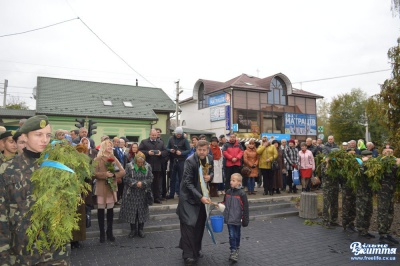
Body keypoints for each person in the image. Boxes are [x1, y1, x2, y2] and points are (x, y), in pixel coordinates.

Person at [0, 115, 70, 265]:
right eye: (38, 134)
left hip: (56, 254)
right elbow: (2, 219)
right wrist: (4, 259)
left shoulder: (57, 167)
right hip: (22, 254)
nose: (44, 140)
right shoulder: (7, 170)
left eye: (47, 135)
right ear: (24, 137)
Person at [176, 140, 213, 265]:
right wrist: (200, 197)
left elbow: (212, 173)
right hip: (188, 198)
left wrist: (211, 176)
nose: (202, 152)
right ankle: (187, 254)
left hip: (202, 197)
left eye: (204, 150)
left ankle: (196, 249)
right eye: (199, 150)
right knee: (188, 225)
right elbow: (187, 183)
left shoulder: (210, 159)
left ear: (208, 150)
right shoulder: (190, 161)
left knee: (199, 224)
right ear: (195, 149)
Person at [93, 140, 126, 243]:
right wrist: (104, 175)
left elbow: (122, 171)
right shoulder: (98, 159)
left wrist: (114, 175)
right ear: (103, 147)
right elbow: (92, 173)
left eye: (111, 146)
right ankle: (102, 233)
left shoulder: (114, 158)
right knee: (101, 210)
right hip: (102, 187)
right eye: (108, 146)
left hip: (111, 187)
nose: (110, 147)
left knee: (111, 210)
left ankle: (109, 232)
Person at [119, 152, 154, 239]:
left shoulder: (147, 166)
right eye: (138, 162)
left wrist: (143, 183)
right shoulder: (129, 166)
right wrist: (135, 183)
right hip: (132, 192)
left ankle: (141, 230)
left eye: (141, 162)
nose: (139, 164)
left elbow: (150, 178)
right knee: (133, 211)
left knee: (142, 211)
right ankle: (133, 230)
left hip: (143, 192)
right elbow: (126, 178)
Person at [221, 173, 249, 263]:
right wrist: (220, 205)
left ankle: (236, 247)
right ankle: (233, 251)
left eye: (233, 180)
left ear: (239, 183)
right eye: (230, 180)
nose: (231, 182)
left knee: (237, 235)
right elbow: (224, 202)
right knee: (232, 235)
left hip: (237, 219)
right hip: (229, 219)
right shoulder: (228, 192)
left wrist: (245, 219)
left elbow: (245, 207)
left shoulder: (242, 193)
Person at [377, 145, 399, 245]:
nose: (389, 152)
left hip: (391, 191)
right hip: (383, 191)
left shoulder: (395, 161)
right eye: (387, 151)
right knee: (383, 212)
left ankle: (387, 232)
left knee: (390, 212)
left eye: (391, 151)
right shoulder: (380, 162)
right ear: (383, 152)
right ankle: (382, 235)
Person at [139, 129, 167, 204]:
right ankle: (147, 198)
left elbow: (165, 151)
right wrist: (148, 153)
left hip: (157, 166)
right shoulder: (144, 142)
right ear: (150, 134)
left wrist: (160, 153)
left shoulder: (160, 142)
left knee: (156, 183)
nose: (154, 137)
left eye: (155, 135)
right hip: (147, 166)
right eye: (153, 135)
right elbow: (140, 151)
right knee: (147, 182)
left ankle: (156, 198)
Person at [166, 127, 190, 199]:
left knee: (181, 178)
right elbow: (167, 148)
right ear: (175, 133)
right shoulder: (171, 139)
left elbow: (188, 150)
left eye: (180, 134)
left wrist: (181, 153)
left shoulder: (185, 140)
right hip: (173, 160)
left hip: (181, 160)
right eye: (177, 134)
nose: (178, 135)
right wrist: (170, 150)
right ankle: (171, 194)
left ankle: (181, 193)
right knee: (172, 178)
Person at [356, 150, 374, 239]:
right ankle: (360, 230)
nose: (371, 159)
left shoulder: (371, 166)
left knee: (368, 212)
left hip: (369, 193)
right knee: (361, 212)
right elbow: (359, 175)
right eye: (369, 157)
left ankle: (365, 230)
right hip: (362, 193)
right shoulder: (359, 165)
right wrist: (364, 164)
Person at [322, 148, 340, 228]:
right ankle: (325, 221)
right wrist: (327, 163)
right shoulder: (325, 162)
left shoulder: (337, 163)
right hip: (327, 186)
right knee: (327, 204)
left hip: (335, 185)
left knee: (335, 204)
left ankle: (334, 220)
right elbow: (325, 173)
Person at [341, 148, 357, 233]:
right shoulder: (344, 163)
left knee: (353, 207)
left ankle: (351, 223)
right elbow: (341, 176)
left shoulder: (356, 162)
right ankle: (345, 225)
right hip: (346, 188)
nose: (353, 155)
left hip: (354, 188)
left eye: (354, 153)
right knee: (346, 207)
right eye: (351, 154)